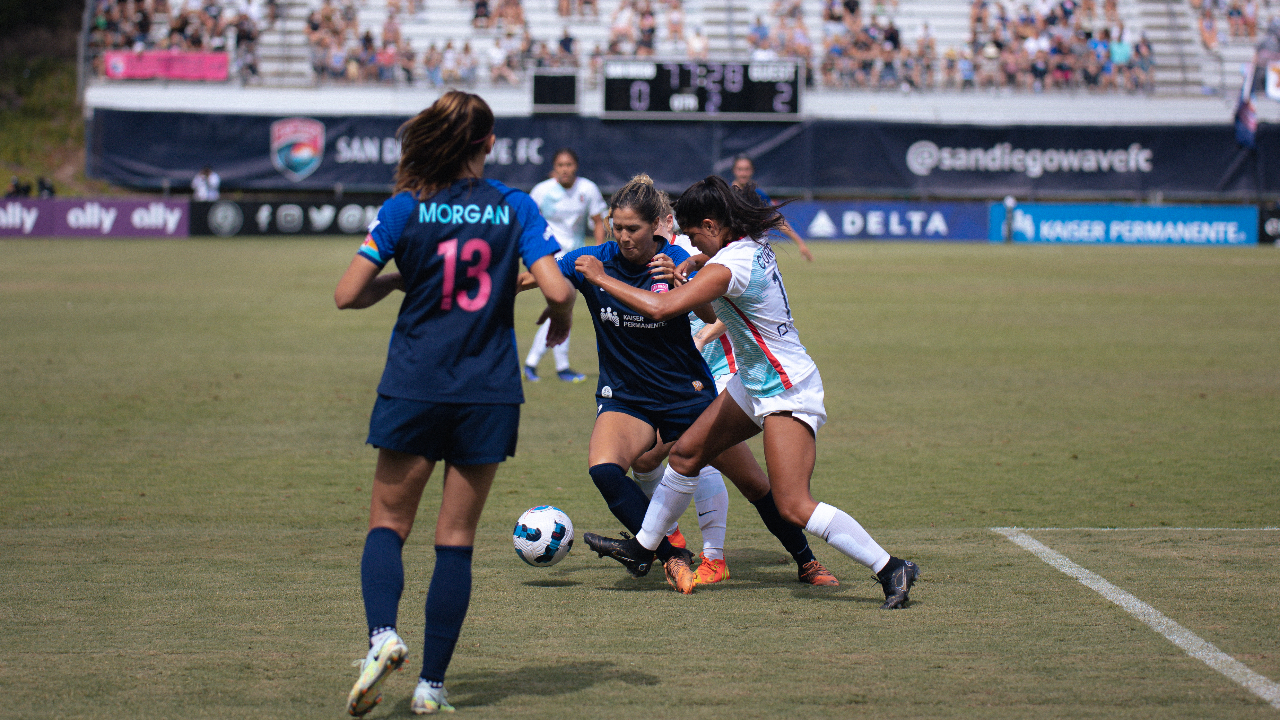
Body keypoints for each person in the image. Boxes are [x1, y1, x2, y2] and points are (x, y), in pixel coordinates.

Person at [334, 90, 575, 717]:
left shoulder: (404, 206)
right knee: (456, 540)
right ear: (487, 144)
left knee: (388, 525)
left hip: (414, 385)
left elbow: (347, 294)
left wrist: (395, 281)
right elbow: (555, 286)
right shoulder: (514, 206)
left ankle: (383, 636)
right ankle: (432, 688)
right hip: (487, 393)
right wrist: (561, 322)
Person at [579, 176, 920, 610]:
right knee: (685, 456)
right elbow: (709, 291)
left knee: (793, 503)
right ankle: (643, 549)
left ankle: (890, 567)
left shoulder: (730, 265)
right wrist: (693, 264)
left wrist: (599, 277)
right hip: (753, 381)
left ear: (711, 223)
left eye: (692, 233)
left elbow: (662, 307)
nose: (686, 242)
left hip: (784, 388)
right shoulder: (744, 247)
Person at [522, 175, 839, 592]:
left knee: (755, 485)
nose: (623, 237)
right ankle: (671, 555)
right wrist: (467, 292)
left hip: (685, 395)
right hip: (627, 397)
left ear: (656, 225)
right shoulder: (592, 259)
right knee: (604, 469)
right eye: (617, 227)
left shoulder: (673, 258)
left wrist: (680, 280)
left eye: (632, 229)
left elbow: (709, 316)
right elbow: (536, 278)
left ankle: (807, 562)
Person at [524, 148, 608, 383]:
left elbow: (598, 221)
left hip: (576, 258)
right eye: (560, 165)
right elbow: (528, 221)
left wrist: (598, 252)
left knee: (562, 306)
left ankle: (543, 365)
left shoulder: (587, 189)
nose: (565, 169)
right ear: (554, 168)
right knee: (562, 305)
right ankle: (549, 366)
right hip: (550, 259)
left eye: (569, 164)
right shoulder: (542, 191)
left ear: (576, 167)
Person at [729, 156, 814, 261]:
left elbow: (776, 219)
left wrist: (800, 243)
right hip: (729, 250)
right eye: (740, 169)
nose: (743, 173)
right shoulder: (725, 194)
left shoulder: (759, 195)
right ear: (734, 171)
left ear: (752, 171)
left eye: (747, 169)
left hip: (752, 252)